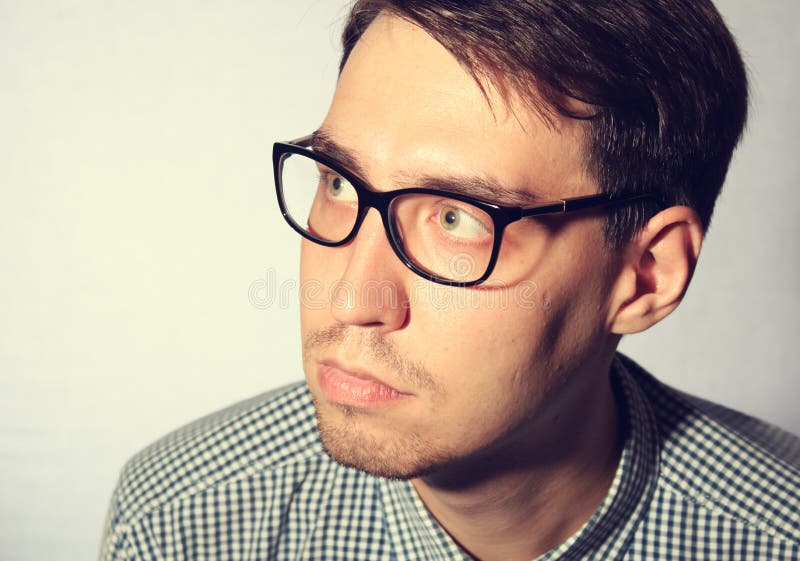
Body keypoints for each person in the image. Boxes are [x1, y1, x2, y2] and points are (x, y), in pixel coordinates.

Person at [99, 1, 800, 560]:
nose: (351, 299)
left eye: (458, 217)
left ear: (647, 275)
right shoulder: (179, 523)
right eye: (338, 181)